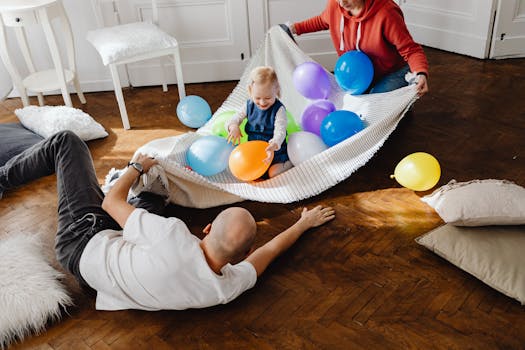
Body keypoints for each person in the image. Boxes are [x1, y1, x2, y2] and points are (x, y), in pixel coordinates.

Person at [0, 131, 335, 311]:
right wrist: (302, 224)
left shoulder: (171, 236)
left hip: (81, 243)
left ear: (206, 228)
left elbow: (111, 202)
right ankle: (142, 201)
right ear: (240, 257)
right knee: (152, 200)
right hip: (106, 278)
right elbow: (267, 255)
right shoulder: (227, 287)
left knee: (67, 142)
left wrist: (137, 168)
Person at [288, 0, 429, 96]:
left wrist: (421, 73)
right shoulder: (336, 5)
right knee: (340, 98)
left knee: (376, 102)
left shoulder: (386, 13)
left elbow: (411, 50)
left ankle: (401, 100)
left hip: (392, 72)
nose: (342, 3)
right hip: (360, 75)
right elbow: (323, 20)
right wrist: (294, 28)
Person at [226, 66, 293, 178]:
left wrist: (274, 144)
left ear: (276, 90)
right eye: (257, 98)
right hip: (254, 151)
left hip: (273, 152)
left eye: (267, 98)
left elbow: (280, 130)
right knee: (243, 169)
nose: (262, 102)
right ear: (250, 90)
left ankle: (289, 163)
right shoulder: (248, 106)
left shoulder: (279, 109)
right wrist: (233, 126)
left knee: (273, 173)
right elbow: (235, 118)